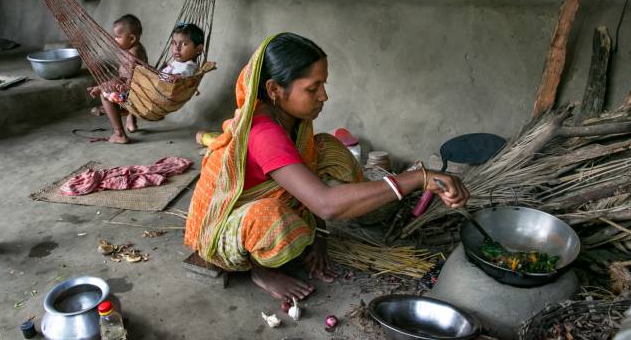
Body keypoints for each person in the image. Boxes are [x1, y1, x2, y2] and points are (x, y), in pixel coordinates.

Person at [184, 33, 469, 301]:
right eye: (312, 88)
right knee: (273, 220)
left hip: (272, 195)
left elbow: (310, 177)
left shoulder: (293, 121)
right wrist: (416, 178)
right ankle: (262, 270)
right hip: (225, 230)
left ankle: (317, 225)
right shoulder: (263, 133)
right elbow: (325, 204)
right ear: (274, 90)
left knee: (327, 147)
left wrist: (319, 235)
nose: (323, 96)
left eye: (324, 84)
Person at [88, 14, 148, 143]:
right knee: (112, 84)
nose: (114, 40)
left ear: (131, 38)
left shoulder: (133, 54)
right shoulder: (136, 48)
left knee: (105, 95)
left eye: (118, 37)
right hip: (139, 90)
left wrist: (107, 86)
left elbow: (129, 81)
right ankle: (131, 120)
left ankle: (119, 133)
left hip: (134, 93)